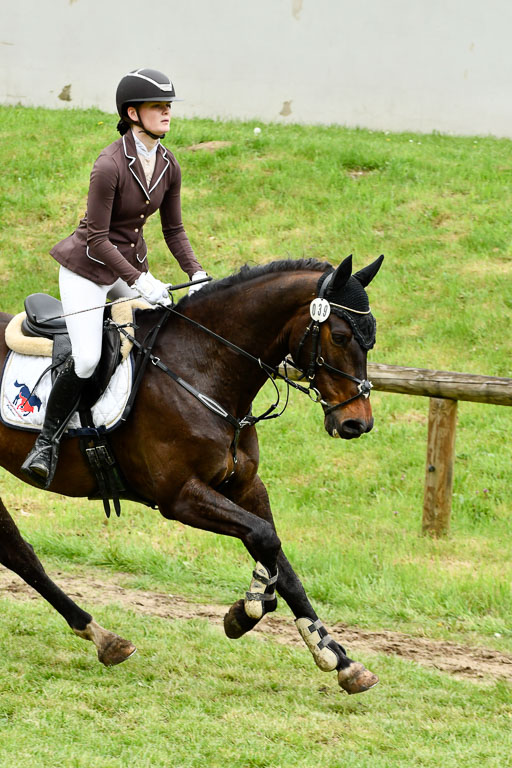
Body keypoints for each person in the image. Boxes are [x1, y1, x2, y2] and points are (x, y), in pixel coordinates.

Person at [21, 67, 207, 487]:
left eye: (169, 106)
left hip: (127, 267)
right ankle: (46, 444)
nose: (167, 113)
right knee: (86, 357)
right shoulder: (109, 164)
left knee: (165, 327)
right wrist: (140, 281)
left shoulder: (167, 164)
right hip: (87, 269)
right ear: (132, 112)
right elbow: (99, 240)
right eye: (159, 106)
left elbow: (173, 230)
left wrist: (196, 272)